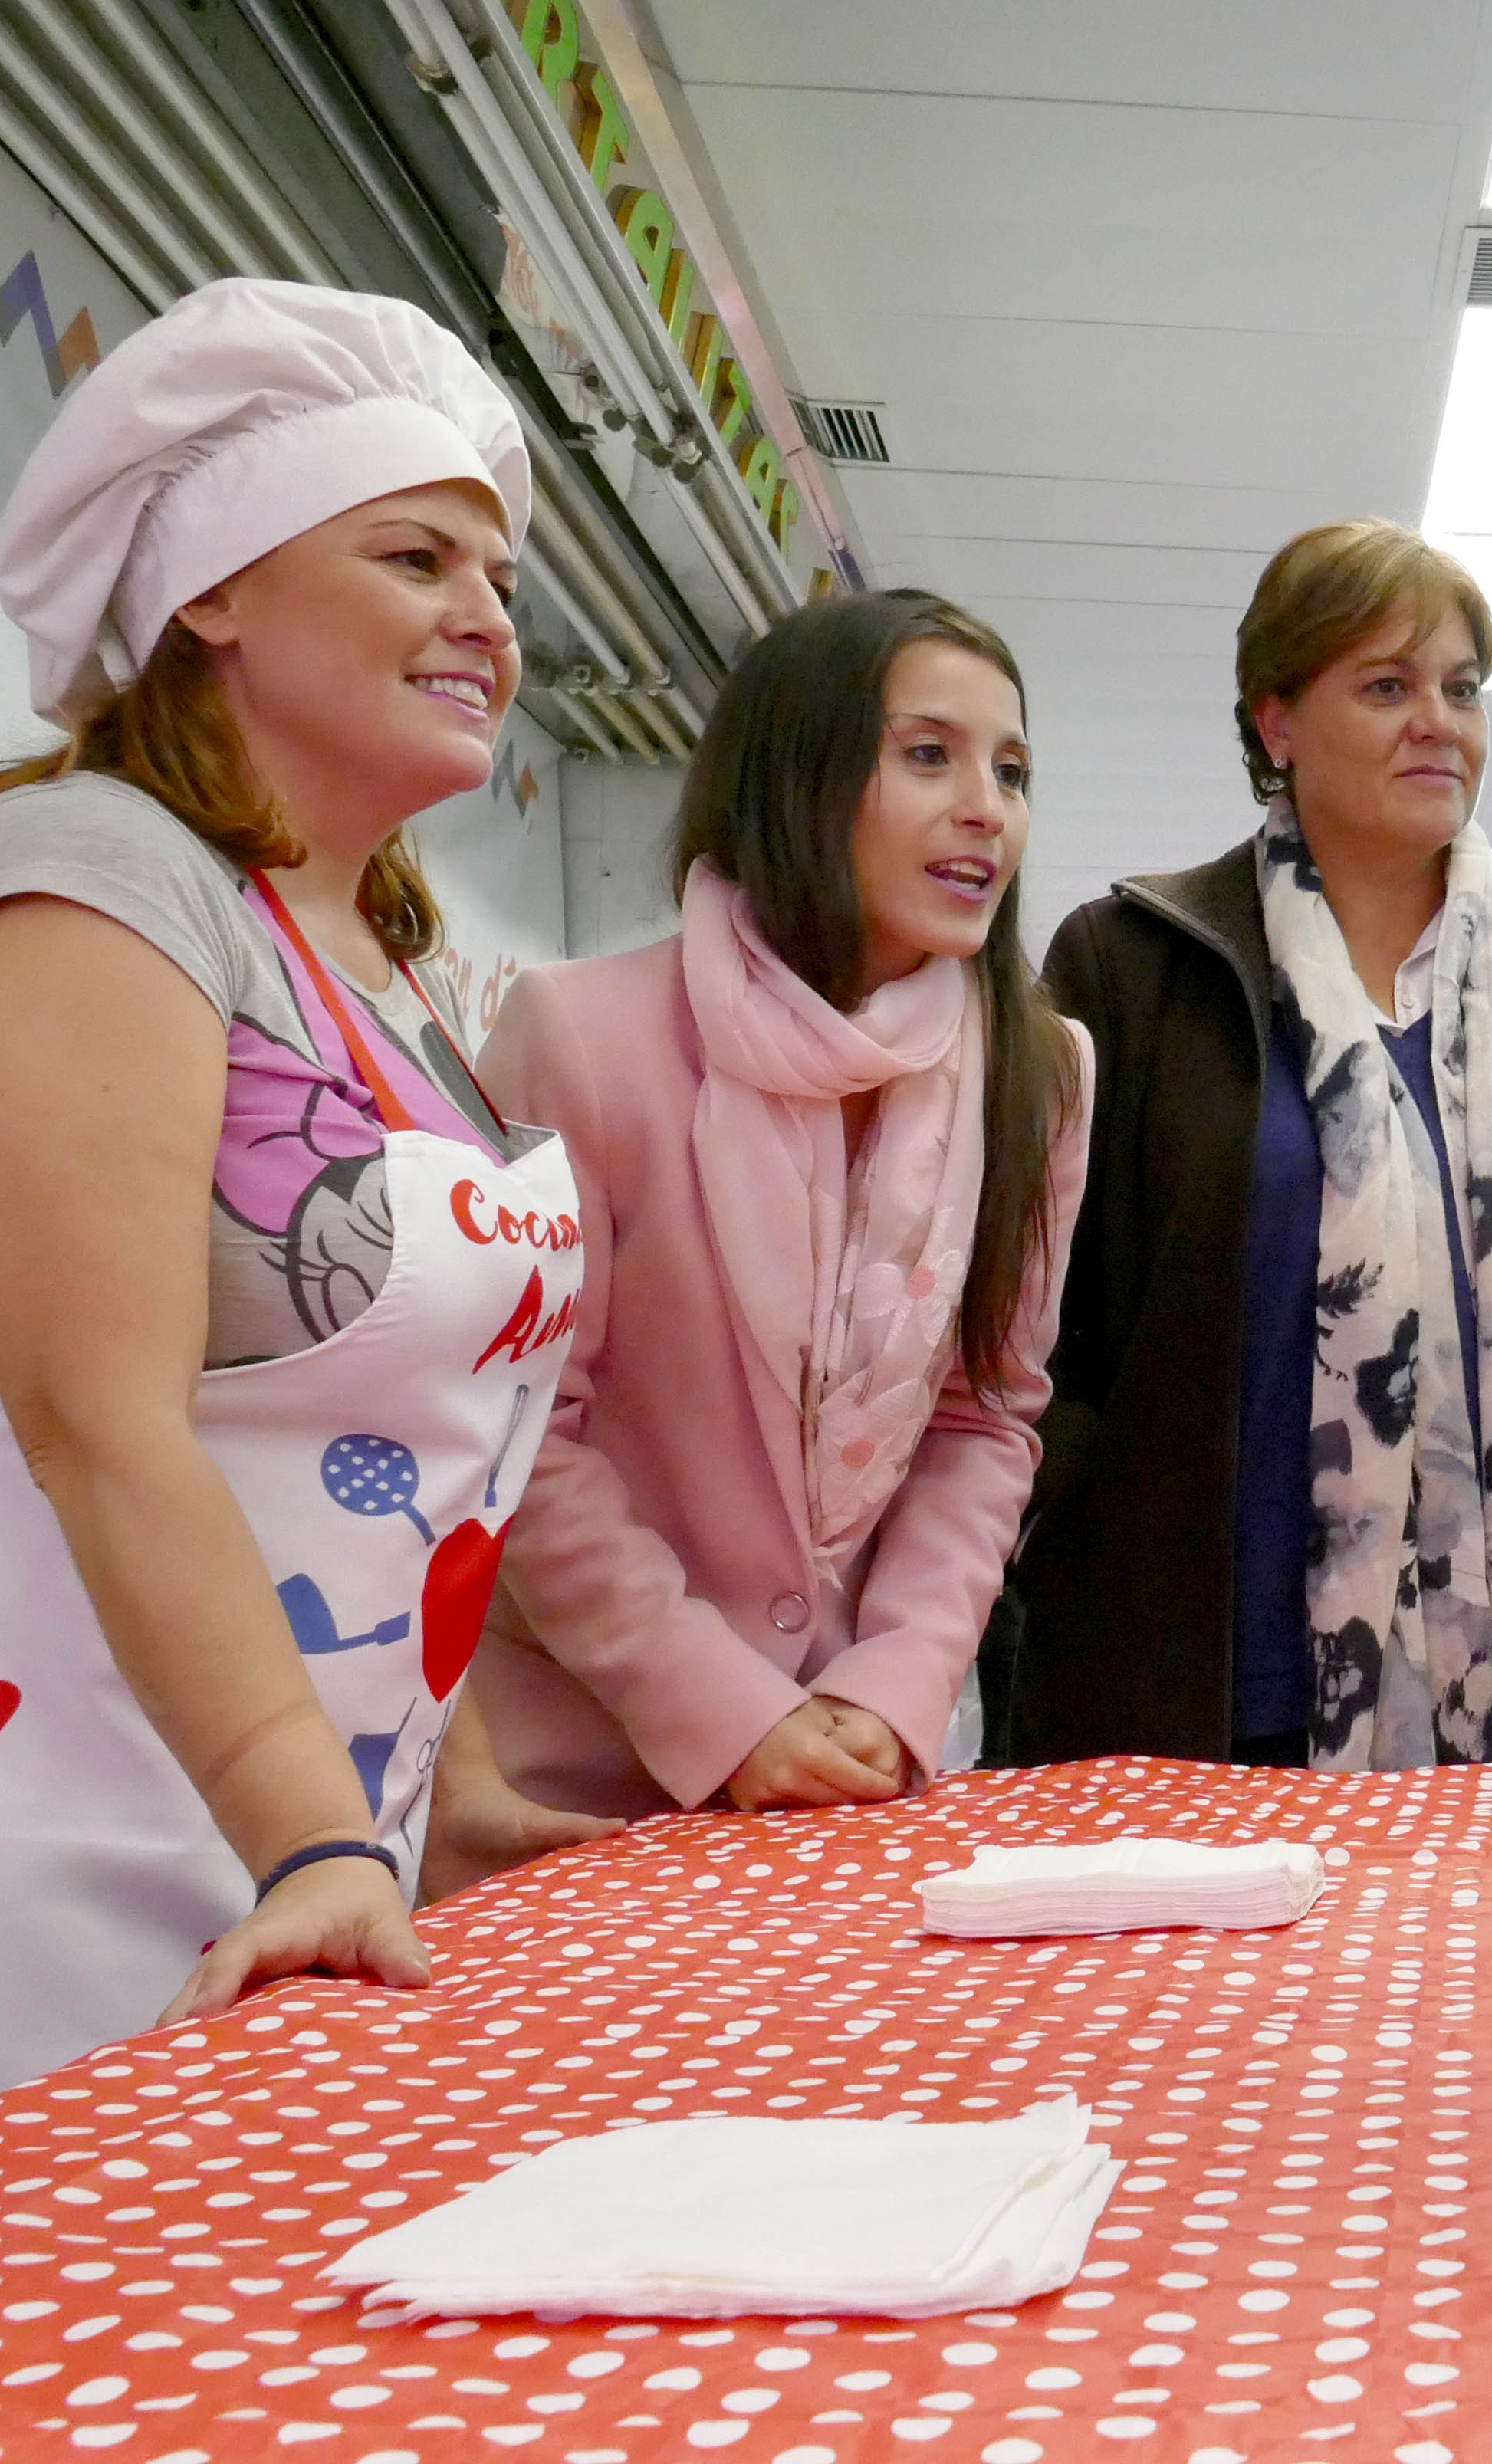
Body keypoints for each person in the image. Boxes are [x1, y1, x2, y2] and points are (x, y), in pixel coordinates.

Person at [0, 278, 606, 2203]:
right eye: (413, 553)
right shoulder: (83, 883)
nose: (484, 619)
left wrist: (464, 1801)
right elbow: (100, 1421)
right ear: (212, 592)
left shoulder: (382, 965)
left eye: (498, 578)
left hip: (269, 1814)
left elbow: (419, 1462)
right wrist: (316, 1838)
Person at [1011, 521, 1492, 1769]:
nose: (1439, 721)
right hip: (1208, 1680)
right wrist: (1066, 1525)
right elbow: (1036, 1310)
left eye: (1461, 688)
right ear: (1276, 721)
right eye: (1386, 685)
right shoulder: (1130, 965)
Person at [465, 592, 1089, 1818]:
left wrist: (894, 1685)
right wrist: (727, 1708)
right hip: (577, 1771)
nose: (987, 809)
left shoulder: (1039, 1071)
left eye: (1011, 770)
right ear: (798, 770)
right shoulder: (580, 1035)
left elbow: (986, 1414)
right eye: (928, 754)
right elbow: (525, 1433)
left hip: (853, 1774)